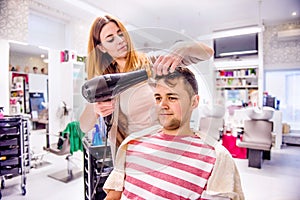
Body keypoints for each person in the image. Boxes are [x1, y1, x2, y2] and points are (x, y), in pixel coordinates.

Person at [79, 15, 214, 160]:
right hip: (126, 158)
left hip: (159, 151)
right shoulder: (103, 82)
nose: (120, 41)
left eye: (120, 33)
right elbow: (84, 126)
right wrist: (95, 110)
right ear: (101, 47)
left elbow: (207, 53)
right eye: (110, 38)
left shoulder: (150, 63)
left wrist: (183, 47)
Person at [103, 67, 244, 200]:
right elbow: (113, 196)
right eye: (158, 98)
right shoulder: (133, 144)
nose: (162, 105)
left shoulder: (212, 159)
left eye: (172, 98)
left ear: (194, 102)